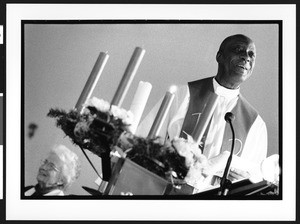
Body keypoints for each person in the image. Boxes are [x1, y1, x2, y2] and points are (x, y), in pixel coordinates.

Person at [136, 34, 268, 190]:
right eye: (238, 50)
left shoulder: (255, 124)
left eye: (251, 54)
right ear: (219, 56)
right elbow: (145, 141)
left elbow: (254, 179)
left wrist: (242, 177)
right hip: (168, 189)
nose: (246, 57)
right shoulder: (184, 95)